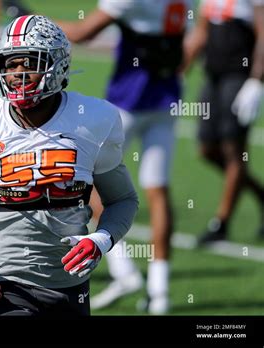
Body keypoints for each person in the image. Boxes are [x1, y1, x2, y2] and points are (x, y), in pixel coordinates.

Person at [0, 15, 138, 316]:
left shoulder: (91, 121)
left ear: (57, 64)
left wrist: (100, 240)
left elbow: (123, 199)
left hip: (71, 285)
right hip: (5, 284)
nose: (17, 73)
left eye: (28, 62)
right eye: (10, 64)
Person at [58, 0, 190, 314]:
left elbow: (81, 33)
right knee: (158, 192)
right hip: (166, 99)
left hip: (127, 103)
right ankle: (160, 293)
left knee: (78, 178)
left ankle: (123, 268)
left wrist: (31, 18)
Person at [183, 0, 264, 244]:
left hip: (239, 76)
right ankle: (261, 194)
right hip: (213, 75)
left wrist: (257, 81)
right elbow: (200, 31)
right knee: (207, 149)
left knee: (234, 150)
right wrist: (180, 71)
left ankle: (222, 222)